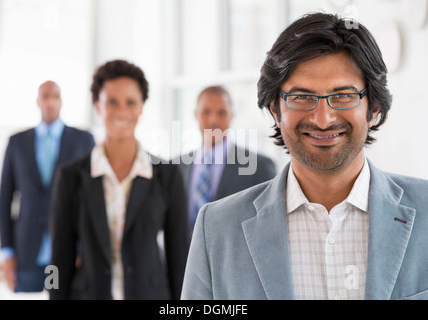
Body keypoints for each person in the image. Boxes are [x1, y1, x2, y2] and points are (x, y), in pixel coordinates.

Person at [181, 12, 428, 300]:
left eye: (343, 95)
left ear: (373, 108)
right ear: (275, 110)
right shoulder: (217, 229)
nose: (323, 119)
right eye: (301, 97)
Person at [48, 59, 190, 300]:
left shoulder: (167, 175)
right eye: (112, 102)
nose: (122, 111)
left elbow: (181, 260)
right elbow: (59, 260)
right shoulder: (71, 177)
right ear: (97, 105)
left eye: (131, 102)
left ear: (142, 107)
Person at [0, 80, 95, 293]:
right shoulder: (17, 142)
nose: (50, 102)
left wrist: (87, 248)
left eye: (55, 96)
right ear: (38, 101)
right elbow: (4, 199)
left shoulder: (84, 140)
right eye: (45, 96)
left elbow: (92, 200)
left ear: (61, 101)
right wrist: (6, 251)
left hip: (71, 250)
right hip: (27, 250)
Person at [176, 85, 277, 231]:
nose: (213, 120)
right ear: (196, 114)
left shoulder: (259, 166)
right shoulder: (176, 166)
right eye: (206, 112)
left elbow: (269, 223)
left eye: (222, 112)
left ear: (231, 115)